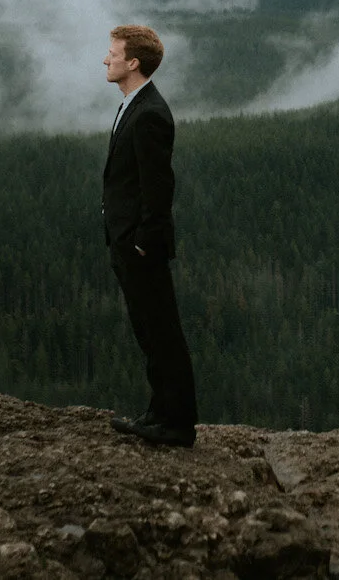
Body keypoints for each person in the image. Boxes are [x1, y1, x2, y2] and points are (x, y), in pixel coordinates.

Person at [102, 24, 198, 447]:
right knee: (150, 331)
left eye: (113, 53)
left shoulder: (150, 114)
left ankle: (176, 424)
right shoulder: (135, 106)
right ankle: (160, 414)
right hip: (128, 241)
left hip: (141, 246)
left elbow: (158, 186)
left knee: (161, 333)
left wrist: (142, 242)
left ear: (133, 62)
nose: (106, 59)